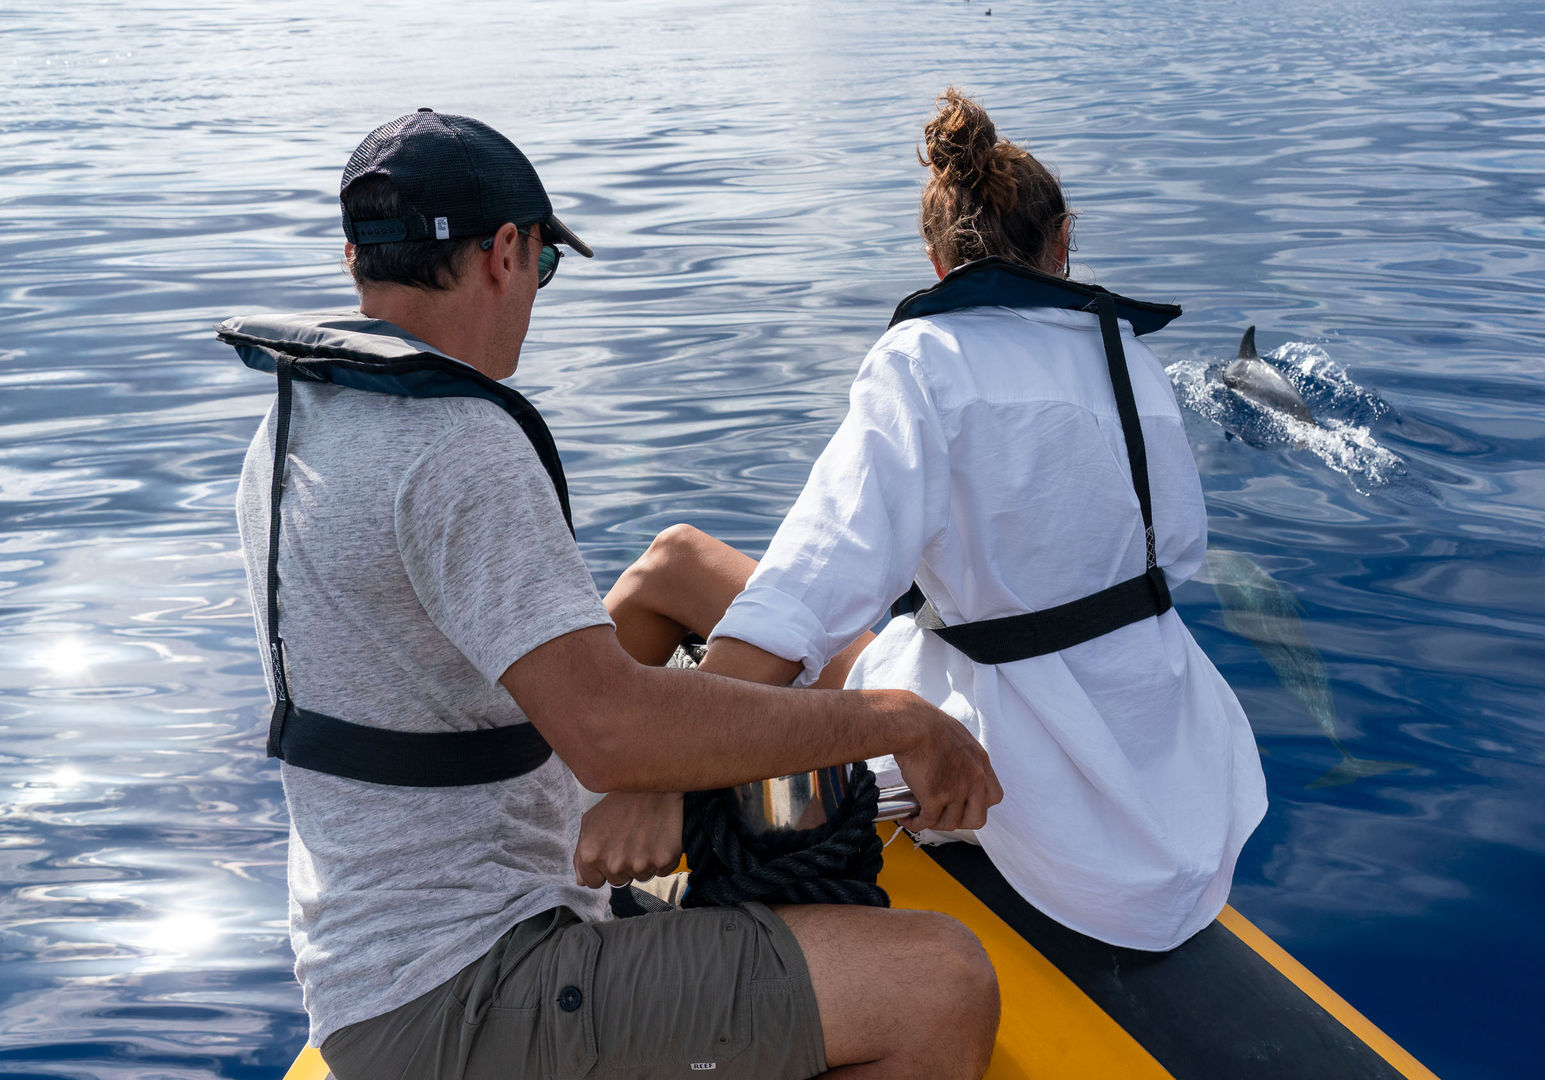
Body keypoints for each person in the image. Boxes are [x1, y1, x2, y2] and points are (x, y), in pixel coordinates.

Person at [225, 109, 1002, 1080]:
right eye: (545, 264)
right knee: (940, 983)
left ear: (357, 259)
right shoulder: (455, 446)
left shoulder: (295, 424)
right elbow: (610, 732)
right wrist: (898, 721)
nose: (535, 292)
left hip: (369, 971)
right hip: (464, 993)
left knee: (769, 791)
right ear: (505, 253)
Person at [610, 89, 1267, 952]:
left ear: (934, 260)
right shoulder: (1132, 363)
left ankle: (549, 800)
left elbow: (804, 590)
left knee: (674, 563)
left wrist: (663, 766)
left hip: (1007, 780)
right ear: (1063, 242)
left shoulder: (923, 360)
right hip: (1170, 787)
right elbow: (1176, 554)